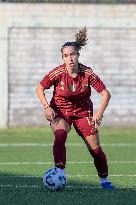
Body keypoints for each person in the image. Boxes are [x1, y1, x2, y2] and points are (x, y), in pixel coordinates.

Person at [36, 27, 114, 190]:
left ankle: (105, 181)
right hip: (60, 111)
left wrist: (99, 113)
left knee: (96, 150)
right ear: (62, 58)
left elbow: (105, 94)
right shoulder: (57, 73)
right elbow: (39, 88)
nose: (70, 58)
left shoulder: (87, 73)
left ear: (78, 55)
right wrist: (47, 107)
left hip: (83, 113)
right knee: (60, 135)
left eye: (72, 54)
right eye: (66, 56)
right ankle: (60, 172)